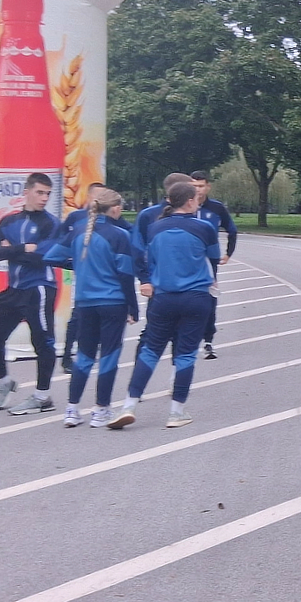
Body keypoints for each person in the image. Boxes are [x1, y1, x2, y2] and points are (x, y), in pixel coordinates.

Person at [113, 180, 219, 431]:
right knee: (185, 354)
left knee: (150, 350)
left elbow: (148, 258)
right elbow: (213, 258)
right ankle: (176, 411)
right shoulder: (204, 228)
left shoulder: (155, 228)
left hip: (163, 297)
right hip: (195, 297)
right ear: (191, 201)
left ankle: (129, 404)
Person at [43, 186, 139, 428]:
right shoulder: (119, 236)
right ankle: (101, 409)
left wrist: (79, 266)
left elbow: (51, 257)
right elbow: (126, 275)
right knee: (109, 356)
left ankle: (72, 409)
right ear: (116, 208)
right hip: (113, 302)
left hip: (85, 302)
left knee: (84, 356)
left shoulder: (77, 232)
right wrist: (133, 306)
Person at [0, 173, 61, 415]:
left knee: (42, 342)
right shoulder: (8, 221)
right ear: (26, 192)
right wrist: (22, 249)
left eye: (48, 193)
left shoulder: (50, 223)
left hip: (39, 288)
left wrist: (11, 250)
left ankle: (42, 396)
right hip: (14, 290)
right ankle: (4, 381)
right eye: (40, 192)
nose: (44, 198)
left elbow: (42, 257)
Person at [58, 182, 126, 373]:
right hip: (83, 278)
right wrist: (75, 264)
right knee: (76, 317)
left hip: (106, 281)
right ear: (89, 198)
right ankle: (67, 355)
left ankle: (94, 353)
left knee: (96, 317)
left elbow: (130, 239)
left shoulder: (114, 221)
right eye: (97, 196)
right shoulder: (76, 218)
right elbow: (60, 243)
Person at [192, 169, 239, 360]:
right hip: (185, 261)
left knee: (209, 300)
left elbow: (232, 230)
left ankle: (208, 341)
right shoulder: (181, 207)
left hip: (209, 263)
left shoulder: (217, 208)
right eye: (193, 186)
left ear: (208, 186)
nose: (197, 190)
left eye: (201, 186)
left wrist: (228, 254)